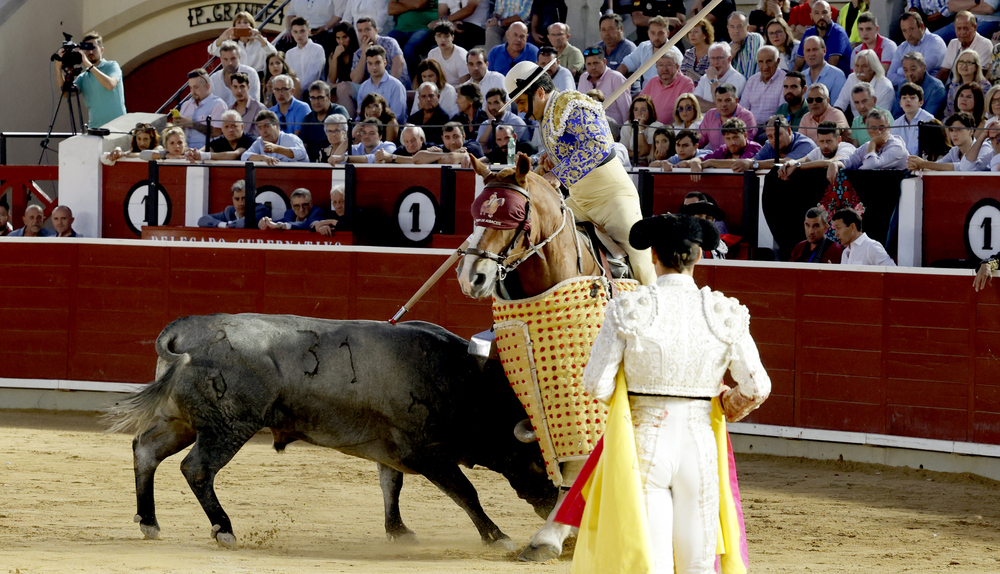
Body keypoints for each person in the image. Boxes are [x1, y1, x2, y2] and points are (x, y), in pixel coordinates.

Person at [581, 212, 770, 574]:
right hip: (699, 443)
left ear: (653, 255)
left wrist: (628, 398)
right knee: (698, 562)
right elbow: (758, 387)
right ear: (698, 256)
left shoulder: (629, 307)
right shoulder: (724, 312)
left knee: (652, 563)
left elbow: (596, 384)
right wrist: (723, 405)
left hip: (644, 439)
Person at [504, 61, 656, 285]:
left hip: (612, 199)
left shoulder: (573, 106)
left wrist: (559, 174)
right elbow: (572, 148)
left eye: (521, 101)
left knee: (640, 257)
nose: (520, 110)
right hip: (579, 202)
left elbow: (597, 145)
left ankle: (655, 305)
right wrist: (549, 160)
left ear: (539, 92)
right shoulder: (547, 115)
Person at [54, 31, 126, 128]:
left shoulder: (111, 66)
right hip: (95, 130)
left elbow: (110, 85)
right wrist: (58, 69)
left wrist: (88, 64)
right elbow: (66, 93)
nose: (90, 52)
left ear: (102, 50)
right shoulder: (84, 77)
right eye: (87, 49)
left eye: (94, 48)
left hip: (118, 128)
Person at [907, 111, 993, 171]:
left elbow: (964, 167)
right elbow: (938, 165)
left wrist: (924, 164)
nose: (954, 134)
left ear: (971, 131)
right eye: (951, 130)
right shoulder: (954, 151)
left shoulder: (984, 147)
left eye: (959, 130)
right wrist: (917, 165)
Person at [731, 114, 817, 172]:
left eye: (777, 134)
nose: (774, 140)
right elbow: (751, 161)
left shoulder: (805, 144)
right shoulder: (769, 144)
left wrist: (753, 164)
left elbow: (788, 163)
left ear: (789, 131)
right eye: (770, 136)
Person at [778, 120, 856, 183]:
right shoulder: (818, 151)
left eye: (829, 141)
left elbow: (831, 162)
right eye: (821, 141)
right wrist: (791, 163)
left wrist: (797, 166)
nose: (825, 146)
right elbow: (804, 160)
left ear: (839, 140)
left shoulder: (847, 148)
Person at [833, 108, 908, 171]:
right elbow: (850, 161)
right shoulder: (867, 146)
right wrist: (835, 164)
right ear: (867, 129)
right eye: (873, 128)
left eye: (882, 127)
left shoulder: (897, 147)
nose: (878, 132)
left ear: (888, 127)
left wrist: (873, 142)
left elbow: (871, 167)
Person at [887, 12, 947, 87]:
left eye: (911, 29)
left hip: (930, 89)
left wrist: (900, 71)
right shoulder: (902, 47)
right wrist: (908, 83)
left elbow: (921, 72)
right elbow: (890, 76)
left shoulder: (935, 42)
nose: (909, 34)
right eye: (904, 31)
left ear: (921, 26)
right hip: (907, 90)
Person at [380, 121, 484, 163]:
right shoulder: (440, 148)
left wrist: (435, 156)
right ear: (443, 139)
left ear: (463, 136)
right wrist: (438, 155)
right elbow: (418, 158)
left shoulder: (473, 146)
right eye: (447, 138)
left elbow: (452, 158)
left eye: (455, 137)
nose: (452, 142)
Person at [686, 118, 763, 174]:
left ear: (745, 135)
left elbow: (740, 164)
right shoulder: (724, 149)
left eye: (735, 137)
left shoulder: (754, 148)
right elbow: (703, 159)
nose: (732, 142)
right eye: (728, 138)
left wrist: (710, 162)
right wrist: (695, 161)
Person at [639, 48, 695, 125]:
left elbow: (685, 111)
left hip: (672, 130)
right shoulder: (652, 81)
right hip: (648, 126)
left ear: (677, 67)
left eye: (668, 65)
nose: (664, 69)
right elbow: (639, 104)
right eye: (661, 65)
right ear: (656, 67)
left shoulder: (686, 83)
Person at [207, 11, 276, 73]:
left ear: (251, 25)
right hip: (237, 79)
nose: (242, 25)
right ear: (235, 26)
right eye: (239, 22)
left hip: (257, 77)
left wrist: (259, 38)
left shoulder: (260, 42)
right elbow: (211, 50)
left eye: (245, 22)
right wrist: (222, 37)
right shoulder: (230, 43)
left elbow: (273, 54)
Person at [794, 1, 851, 75]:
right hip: (817, 76)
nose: (821, 17)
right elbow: (798, 64)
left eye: (824, 12)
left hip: (838, 79)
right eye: (817, 13)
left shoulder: (838, 32)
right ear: (811, 16)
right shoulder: (809, 33)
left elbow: (831, 66)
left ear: (830, 14)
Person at [833, 49, 894, 118]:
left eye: (864, 66)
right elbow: (841, 102)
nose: (859, 70)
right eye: (857, 66)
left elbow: (882, 116)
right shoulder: (852, 78)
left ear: (873, 67)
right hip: (856, 123)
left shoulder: (886, 87)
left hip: (877, 124)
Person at [578, 47, 632, 125]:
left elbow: (626, 110)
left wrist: (626, 132)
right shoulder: (583, 78)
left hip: (613, 129)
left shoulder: (616, 78)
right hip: (589, 127)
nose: (592, 67)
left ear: (604, 61)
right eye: (589, 64)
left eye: (596, 63)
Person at [618, 16, 675, 89]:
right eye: (653, 33)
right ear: (648, 33)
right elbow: (625, 65)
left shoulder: (675, 54)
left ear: (667, 33)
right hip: (644, 96)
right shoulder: (643, 47)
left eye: (660, 33)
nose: (656, 37)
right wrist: (615, 81)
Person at [176, 68, 226, 150]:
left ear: (207, 86)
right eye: (191, 88)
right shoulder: (186, 105)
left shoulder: (218, 105)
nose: (193, 91)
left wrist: (192, 124)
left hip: (205, 153)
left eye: (196, 87)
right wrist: (177, 125)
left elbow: (218, 133)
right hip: (183, 151)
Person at [299, 81, 350, 161]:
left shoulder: (338, 111)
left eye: (320, 98)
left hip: (336, 160)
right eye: (312, 98)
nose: (316, 102)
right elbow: (304, 146)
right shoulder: (307, 118)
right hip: (312, 163)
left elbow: (349, 138)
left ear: (329, 97)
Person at [356, 46, 409, 123]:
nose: (374, 67)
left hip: (390, 130)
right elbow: (360, 114)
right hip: (368, 130)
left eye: (377, 63)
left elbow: (398, 116)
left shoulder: (396, 86)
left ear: (385, 63)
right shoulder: (363, 87)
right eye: (370, 63)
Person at [937, 12, 993, 84]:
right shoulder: (953, 43)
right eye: (959, 28)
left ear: (975, 27)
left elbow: (980, 76)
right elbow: (944, 72)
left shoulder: (985, 44)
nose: (962, 32)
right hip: (954, 86)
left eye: (966, 28)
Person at [698, 83, 757, 151]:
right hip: (714, 157)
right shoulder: (710, 114)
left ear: (736, 100)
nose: (723, 104)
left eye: (728, 100)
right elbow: (699, 141)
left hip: (736, 159)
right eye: (719, 100)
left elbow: (746, 147)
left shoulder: (746, 117)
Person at [388, 0, 438, 76]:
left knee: (409, 48)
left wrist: (400, 3)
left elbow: (419, 3)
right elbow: (391, 10)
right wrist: (412, 5)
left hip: (425, 27)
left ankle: (415, 80)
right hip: (401, 29)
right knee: (383, 45)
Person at [890, 52, 947, 118]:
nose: (909, 74)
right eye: (905, 70)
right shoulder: (902, 84)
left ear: (924, 68)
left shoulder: (937, 88)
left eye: (913, 69)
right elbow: (897, 114)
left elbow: (927, 118)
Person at [693, 42, 747, 111]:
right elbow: (694, 103)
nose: (716, 62)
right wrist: (716, 106)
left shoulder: (738, 79)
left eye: (720, 58)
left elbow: (725, 107)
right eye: (712, 58)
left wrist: (713, 80)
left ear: (729, 59)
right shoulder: (705, 77)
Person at [741, 45, 787, 125]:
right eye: (761, 62)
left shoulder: (785, 80)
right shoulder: (752, 80)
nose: (765, 66)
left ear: (778, 61)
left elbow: (782, 114)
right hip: (750, 128)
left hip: (771, 129)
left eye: (769, 61)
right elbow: (743, 109)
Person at [197, 179, 271, 228]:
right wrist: (224, 225)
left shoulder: (261, 210)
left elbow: (247, 223)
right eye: (237, 199)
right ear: (232, 199)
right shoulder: (230, 212)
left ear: (252, 199)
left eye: (244, 199)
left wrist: (229, 225)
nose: (240, 203)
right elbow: (202, 220)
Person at [241, 110, 309, 164]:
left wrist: (277, 149)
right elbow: (244, 156)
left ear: (277, 126)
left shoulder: (291, 139)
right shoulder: (259, 142)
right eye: (260, 128)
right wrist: (262, 157)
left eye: (267, 126)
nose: (264, 131)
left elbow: (302, 153)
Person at [187, 110, 255, 161]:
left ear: (242, 126)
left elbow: (235, 155)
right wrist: (193, 153)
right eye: (226, 126)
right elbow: (203, 151)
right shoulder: (220, 140)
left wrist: (204, 156)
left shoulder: (249, 139)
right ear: (222, 129)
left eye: (234, 126)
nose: (230, 130)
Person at [209, 41, 261, 107]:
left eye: (233, 59)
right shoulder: (213, 79)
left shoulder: (250, 74)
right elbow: (211, 105)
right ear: (221, 59)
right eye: (225, 59)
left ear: (239, 57)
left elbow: (253, 103)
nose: (229, 63)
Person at [943, 50, 991, 119]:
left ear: (976, 67)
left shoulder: (985, 86)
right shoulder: (953, 85)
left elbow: (986, 112)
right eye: (961, 62)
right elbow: (949, 111)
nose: (964, 65)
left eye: (968, 62)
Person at [284, 16, 326, 94]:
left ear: (309, 32)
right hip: (294, 93)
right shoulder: (289, 54)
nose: (299, 35)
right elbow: (289, 76)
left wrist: (298, 90)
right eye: (295, 32)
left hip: (315, 92)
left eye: (302, 31)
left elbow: (314, 75)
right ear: (292, 33)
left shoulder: (317, 49)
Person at [477, 87, 528, 151]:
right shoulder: (486, 124)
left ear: (504, 103)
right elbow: (479, 147)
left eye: (496, 103)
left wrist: (488, 152)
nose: (492, 107)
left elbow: (508, 149)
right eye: (489, 103)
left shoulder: (516, 122)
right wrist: (491, 122)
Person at [798, 36, 846, 106]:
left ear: (824, 51)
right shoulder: (801, 76)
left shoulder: (837, 75)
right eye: (808, 50)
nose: (811, 54)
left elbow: (837, 108)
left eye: (815, 49)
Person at [894, 82, 935, 156]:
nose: (908, 100)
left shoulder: (928, 120)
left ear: (921, 102)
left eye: (912, 97)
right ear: (900, 103)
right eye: (904, 98)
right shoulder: (896, 123)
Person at [332, 118, 397, 164]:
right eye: (364, 132)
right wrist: (349, 138)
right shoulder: (355, 149)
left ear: (380, 136)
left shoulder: (388, 146)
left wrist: (347, 158)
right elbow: (335, 160)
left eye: (371, 133)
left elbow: (375, 157)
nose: (366, 136)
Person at [619, 95, 664, 161]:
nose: (639, 113)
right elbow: (622, 150)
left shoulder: (656, 126)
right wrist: (638, 154)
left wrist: (640, 128)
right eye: (636, 109)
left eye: (643, 110)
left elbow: (645, 151)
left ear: (650, 111)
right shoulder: (627, 125)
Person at [259, 188, 326, 231]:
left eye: (305, 205)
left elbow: (308, 224)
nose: (301, 209)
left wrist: (282, 226)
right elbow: (277, 223)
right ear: (292, 206)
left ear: (311, 203)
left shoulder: (318, 213)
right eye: (297, 206)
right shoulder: (289, 214)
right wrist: (265, 223)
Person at [847, 82, 891, 147]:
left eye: (864, 101)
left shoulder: (885, 116)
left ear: (874, 100)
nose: (861, 106)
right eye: (857, 103)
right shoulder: (856, 121)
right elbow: (855, 147)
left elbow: (888, 143)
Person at [427, 20, 470, 86]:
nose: (443, 40)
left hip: (457, 92)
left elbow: (464, 85)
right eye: (439, 36)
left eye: (446, 36)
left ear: (452, 37)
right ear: (435, 38)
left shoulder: (461, 55)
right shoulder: (432, 54)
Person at [935, 2, 1000, 45]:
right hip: (965, 19)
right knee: (934, 38)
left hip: (989, 21)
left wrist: (965, 6)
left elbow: (988, 9)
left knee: (963, 43)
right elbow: (952, 6)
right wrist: (977, 1)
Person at [226, 72, 267, 140]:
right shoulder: (230, 109)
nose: (239, 91)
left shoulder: (259, 108)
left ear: (248, 87)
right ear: (231, 88)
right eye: (235, 87)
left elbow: (261, 135)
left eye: (242, 87)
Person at [728, 12, 765, 79]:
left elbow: (752, 71)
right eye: (732, 27)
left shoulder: (754, 38)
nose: (736, 31)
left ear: (747, 28)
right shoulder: (727, 48)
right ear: (728, 29)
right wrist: (728, 58)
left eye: (739, 27)